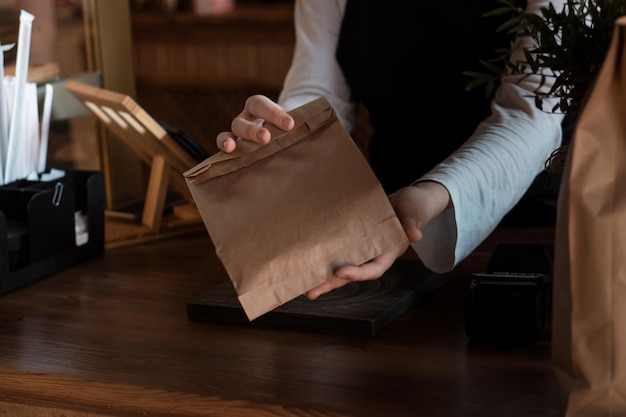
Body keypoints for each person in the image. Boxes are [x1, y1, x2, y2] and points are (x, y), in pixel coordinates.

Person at [215, 0, 566, 300]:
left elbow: (530, 113)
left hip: (529, 230)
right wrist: (279, 134)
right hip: (380, 227)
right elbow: (321, 87)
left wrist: (435, 192)